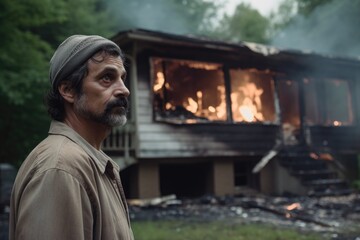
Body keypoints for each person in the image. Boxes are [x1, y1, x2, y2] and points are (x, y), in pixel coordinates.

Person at [9, 35, 134, 240]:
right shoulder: (61, 168)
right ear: (68, 91)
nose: (124, 90)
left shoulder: (88, 161)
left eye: (122, 78)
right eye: (107, 78)